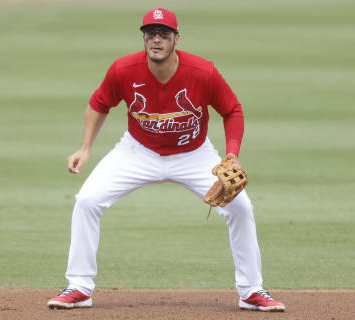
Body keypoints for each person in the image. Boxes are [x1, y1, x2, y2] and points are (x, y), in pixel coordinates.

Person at [47, 8, 285, 312]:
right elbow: (99, 102)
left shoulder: (203, 72)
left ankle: (251, 290)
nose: (156, 40)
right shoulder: (123, 69)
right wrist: (84, 147)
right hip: (137, 152)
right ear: (143, 38)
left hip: (194, 154)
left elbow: (232, 109)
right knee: (87, 201)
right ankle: (79, 287)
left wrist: (233, 154)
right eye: (150, 34)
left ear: (176, 39)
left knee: (241, 207)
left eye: (163, 34)